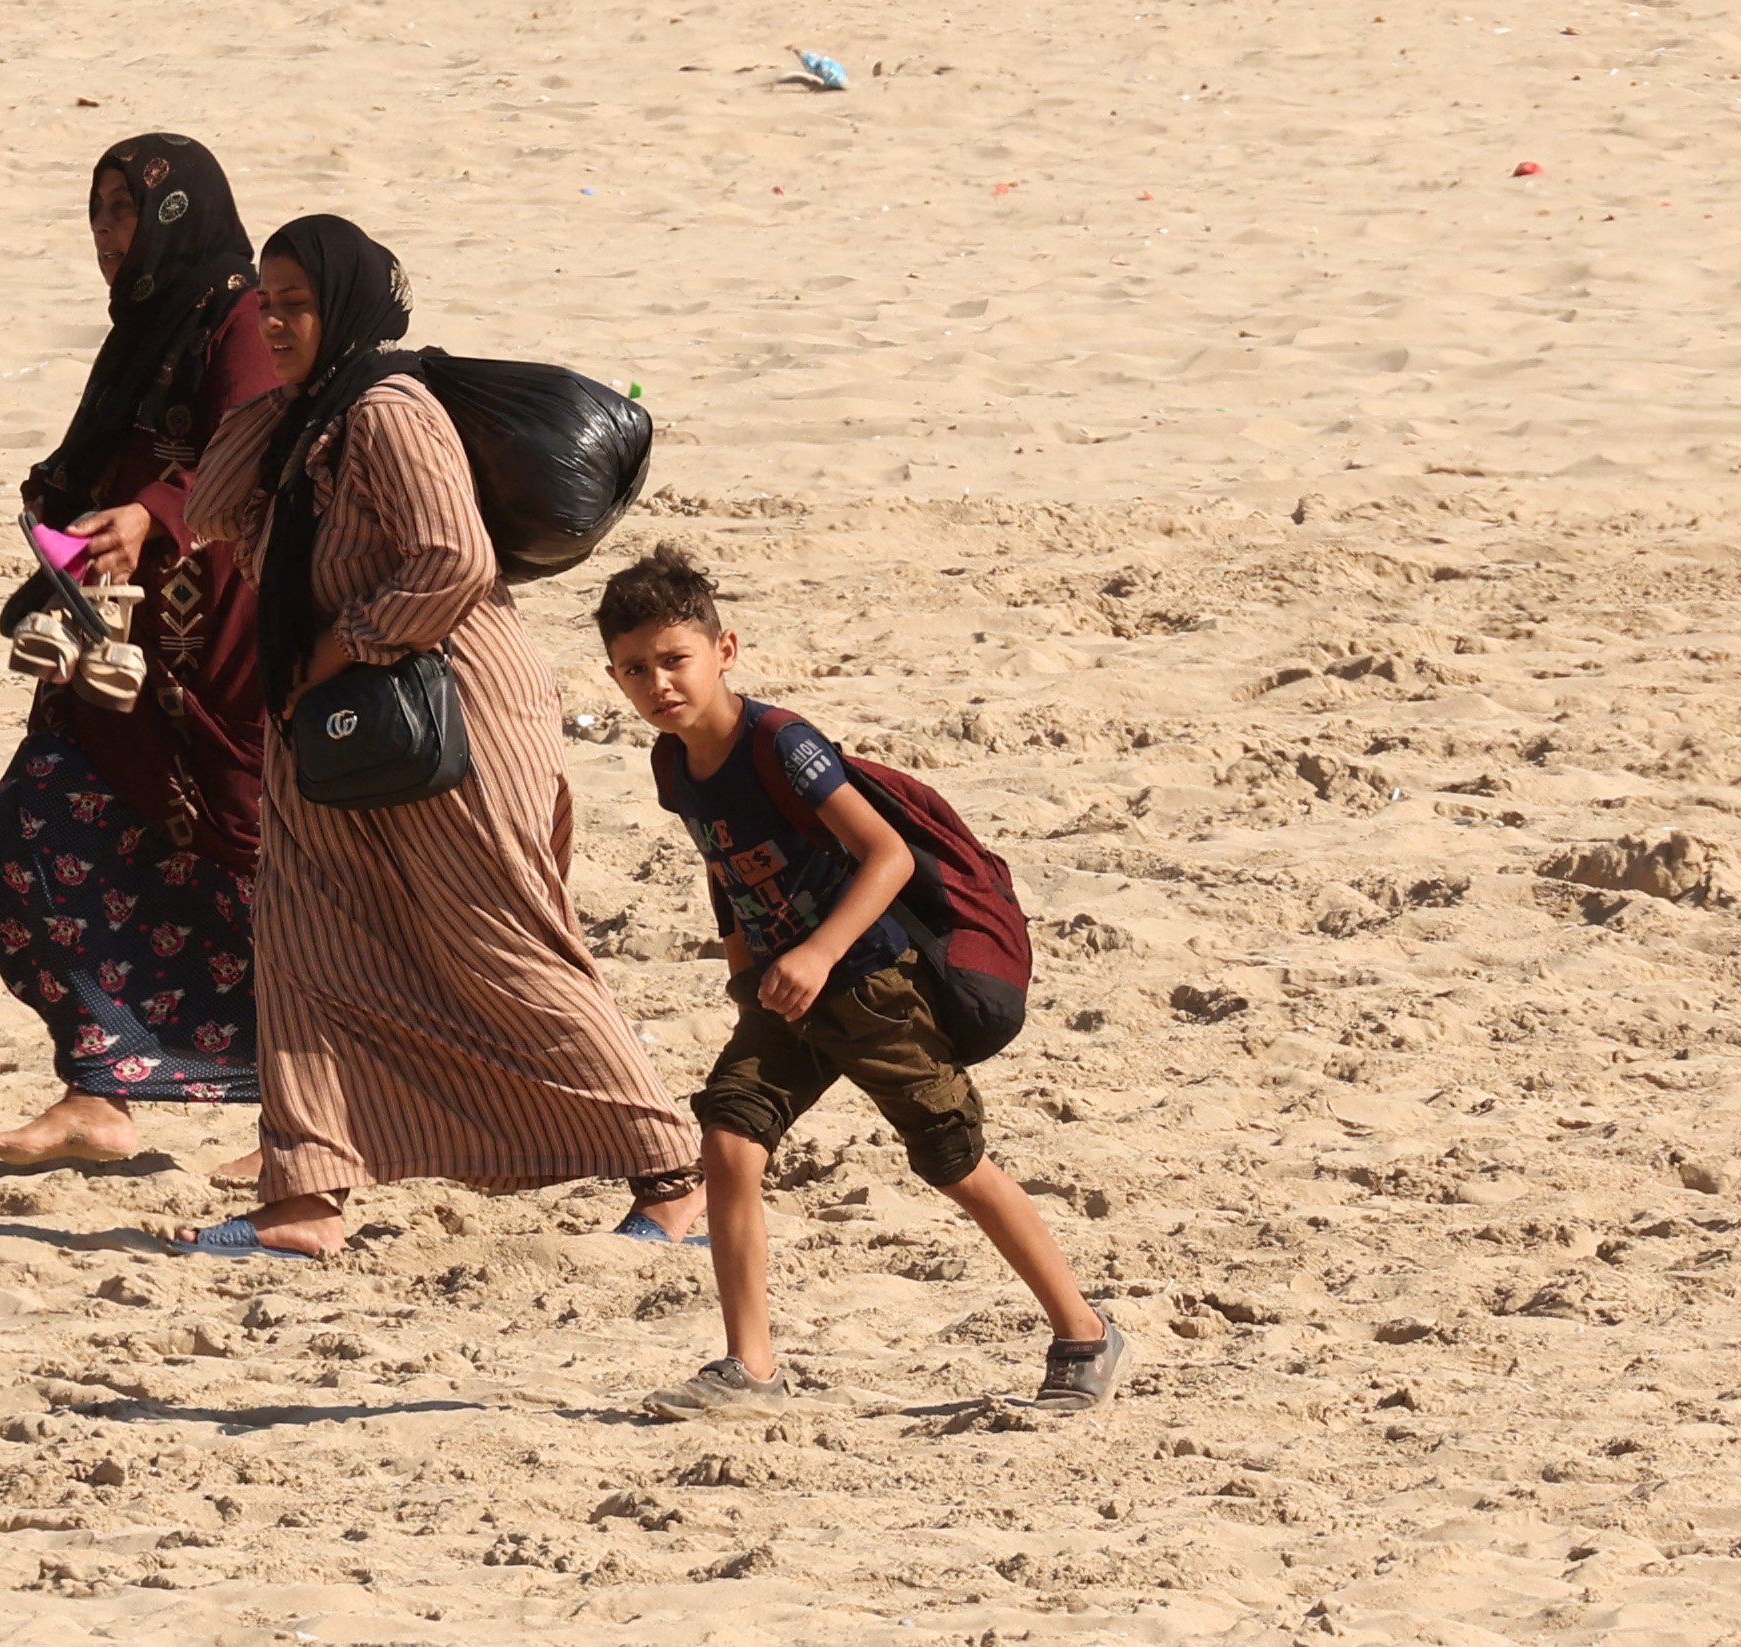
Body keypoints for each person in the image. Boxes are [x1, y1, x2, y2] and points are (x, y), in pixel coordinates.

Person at [182, 213, 702, 1260]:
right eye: (265, 303)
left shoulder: (387, 412)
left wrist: (338, 645)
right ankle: (304, 1195)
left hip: (447, 715)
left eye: (298, 302)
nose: (276, 321)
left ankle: (677, 1170)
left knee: (499, 941)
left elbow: (451, 561)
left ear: (350, 305)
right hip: (343, 723)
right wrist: (277, 396)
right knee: (303, 936)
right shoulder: (311, 417)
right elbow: (211, 503)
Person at [602, 542, 1129, 1421]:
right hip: (782, 995)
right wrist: (747, 968)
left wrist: (816, 953)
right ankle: (750, 1369)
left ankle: (1083, 1332)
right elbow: (722, 863)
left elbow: (882, 853)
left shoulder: (781, 741)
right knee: (729, 1144)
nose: (657, 682)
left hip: (873, 982)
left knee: (953, 1158)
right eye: (633, 668)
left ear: (723, 649)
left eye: (673, 659)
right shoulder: (671, 765)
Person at [0, 134, 281, 1171]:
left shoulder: (237, 316)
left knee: (250, 880)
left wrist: (154, 511)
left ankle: (309, 1121)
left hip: (208, 651)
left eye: (125, 213)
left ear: (177, 218)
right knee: (32, 840)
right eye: (96, 213)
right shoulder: (147, 326)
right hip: (120, 649)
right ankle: (97, 1087)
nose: (106, 237)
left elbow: (252, 444)